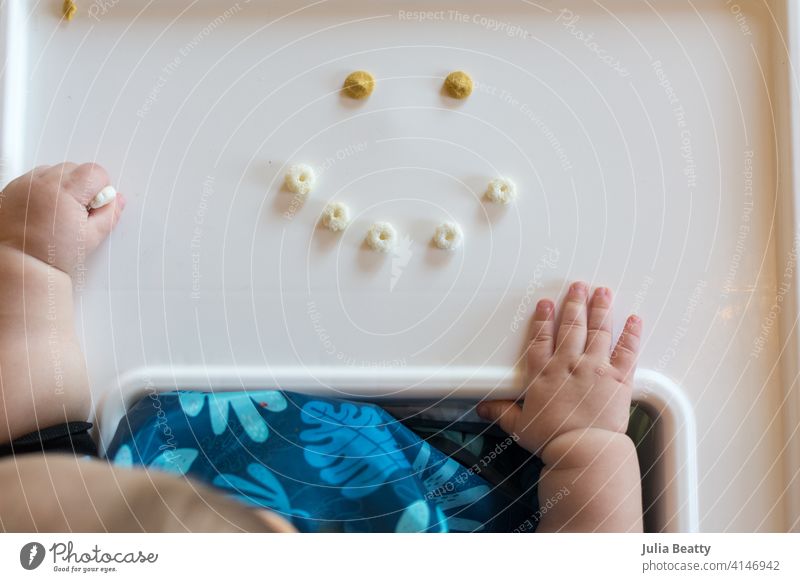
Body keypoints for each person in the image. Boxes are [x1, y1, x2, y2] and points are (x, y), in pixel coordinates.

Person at [0, 163, 643, 532]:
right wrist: (586, 445)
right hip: (470, 459)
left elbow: (33, 442)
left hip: (169, 432)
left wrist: (28, 267)